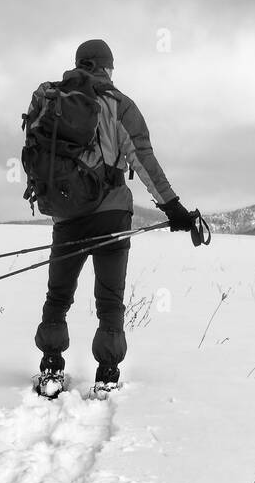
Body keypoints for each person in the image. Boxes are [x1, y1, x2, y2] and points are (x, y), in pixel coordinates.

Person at [33, 38, 198, 397]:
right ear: (106, 67)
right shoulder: (120, 105)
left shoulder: (50, 100)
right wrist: (173, 208)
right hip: (110, 214)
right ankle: (107, 374)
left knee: (58, 295)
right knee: (110, 298)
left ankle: (50, 368)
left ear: (79, 63)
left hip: (66, 214)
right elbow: (143, 161)